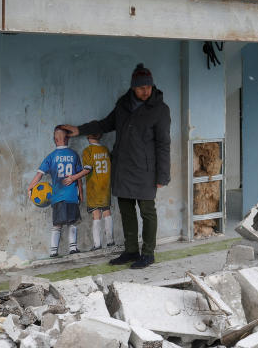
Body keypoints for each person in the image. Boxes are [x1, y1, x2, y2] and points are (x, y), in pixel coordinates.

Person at [61, 63, 170, 269]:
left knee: (147, 211)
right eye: (140, 87)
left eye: (148, 87)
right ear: (133, 88)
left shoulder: (160, 110)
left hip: (146, 170)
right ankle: (130, 251)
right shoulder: (123, 105)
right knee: (126, 211)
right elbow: (104, 124)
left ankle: (148, 253)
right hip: (123, 168)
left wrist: (162, 176)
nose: (145, 91)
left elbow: (164, 144)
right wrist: (79, 130)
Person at [26, 126, 90, 257]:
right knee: (72, 222)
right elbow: (79, 177)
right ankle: (73, 248)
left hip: (57, 197)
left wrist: (30, 188)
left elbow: (39, 175)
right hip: (72, 196)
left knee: (57, 224)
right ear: (67, 139)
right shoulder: (74, 154)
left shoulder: (51, 157)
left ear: (55, 140)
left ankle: (53, 251)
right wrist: (81, 194)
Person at [82, 133, 116, 251]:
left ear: (88, 137)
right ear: (100, 136)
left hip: (94, 188)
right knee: (107, 211)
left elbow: (87, 169)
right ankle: (110, 241)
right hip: (105, 186)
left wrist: (75, 177)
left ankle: (97, 244)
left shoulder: (87, 151)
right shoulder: (105, 150)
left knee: (96, 214)